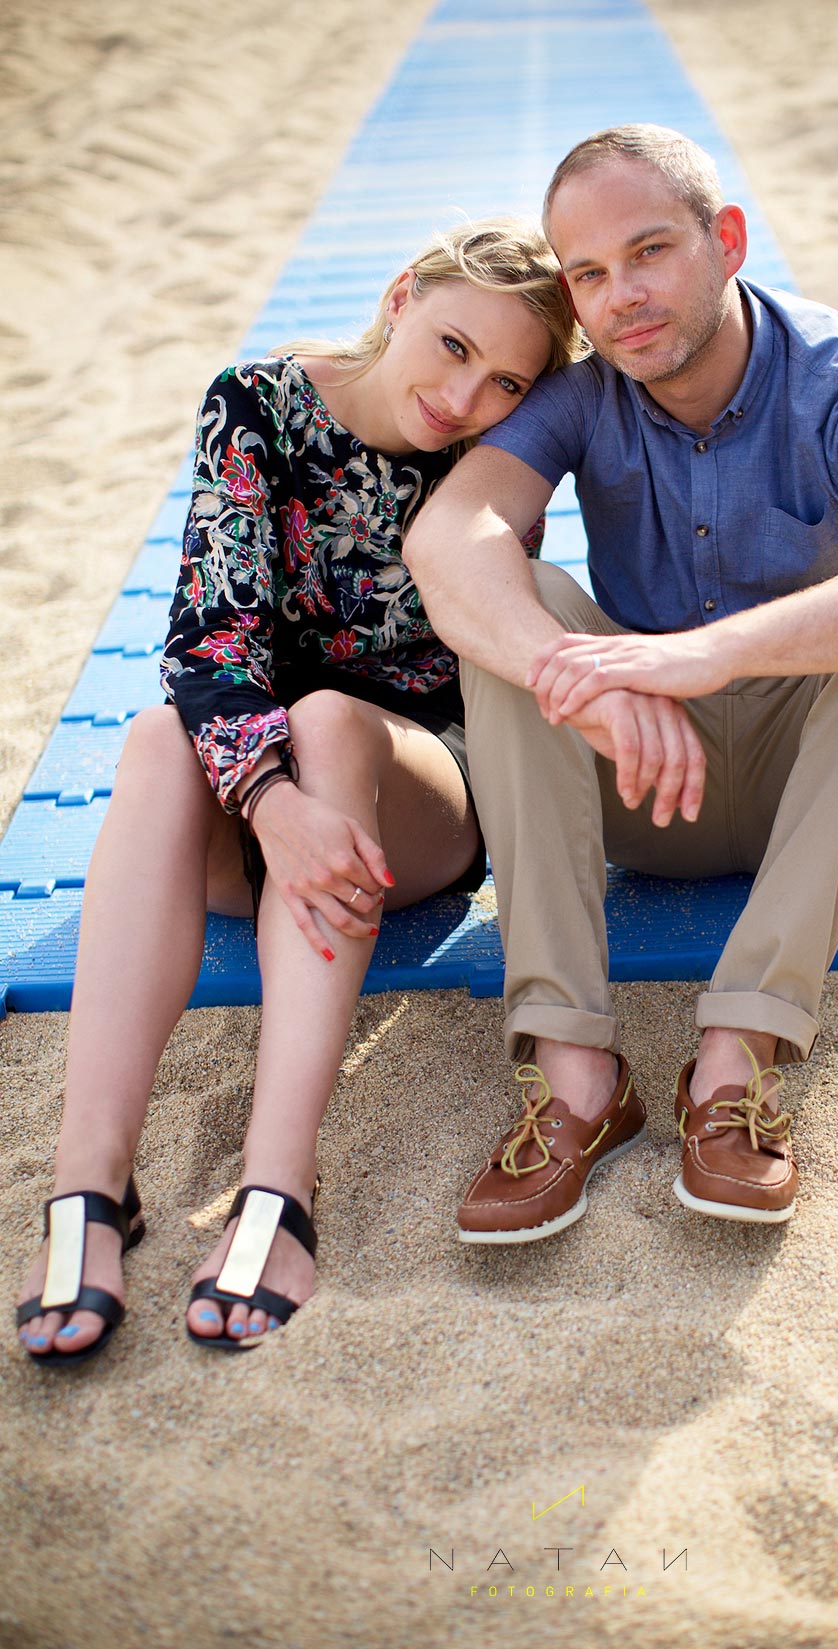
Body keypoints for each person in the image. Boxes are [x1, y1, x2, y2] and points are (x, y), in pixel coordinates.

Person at [402, 125, 838, 1242]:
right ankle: (577, 1075)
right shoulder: (586, 396)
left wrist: (715, 651)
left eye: (648, 252)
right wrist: (575, 674)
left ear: (723, 240)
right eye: (587, 274)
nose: (619, 296)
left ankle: (735, 1060)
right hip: (650, 781)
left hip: (813, 789)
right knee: (516, 595)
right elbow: (452, 537)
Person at [15, 218, 581, 1364]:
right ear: (399, 295)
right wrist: (269, 800)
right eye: (453, 344)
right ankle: (91, 1184)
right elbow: (207, 638)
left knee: (327, 717)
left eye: (505, 379)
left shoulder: (497, 456)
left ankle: (279, 1184)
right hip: (259, 802)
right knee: (151, 740)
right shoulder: (258, 403)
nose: (465, 393)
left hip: (413, 800)